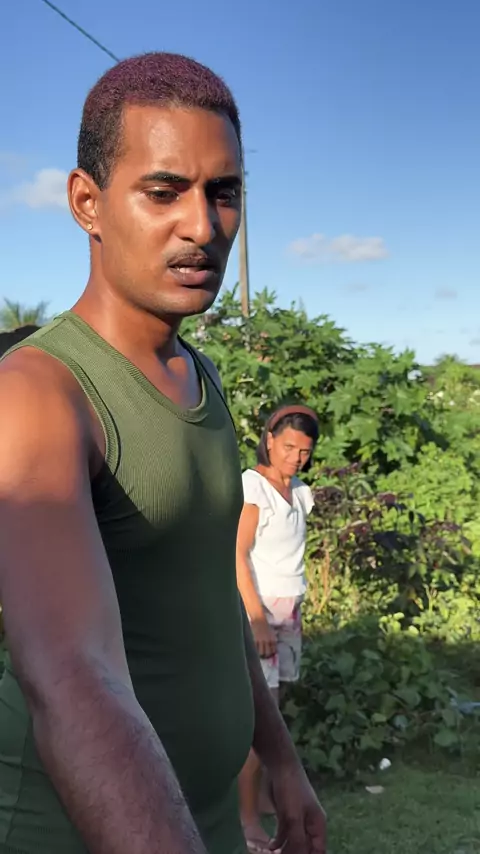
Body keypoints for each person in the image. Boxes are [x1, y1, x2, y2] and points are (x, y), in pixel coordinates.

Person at [0, 53, 326, 854]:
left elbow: (213, 598)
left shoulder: (201, 376)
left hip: (202, 818)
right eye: (164, 191)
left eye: (224, 193)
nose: (203, 226)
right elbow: (71, 676)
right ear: (87, 202)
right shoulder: (40, 393)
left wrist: (281, 759)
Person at [236, 405, 320, 852]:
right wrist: (255, 619)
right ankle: (246, 818)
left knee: (276, 711)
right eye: (288, 447)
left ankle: (269, 799)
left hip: (290, 611)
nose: (295, 457)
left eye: (304, 451)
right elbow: (237, 555)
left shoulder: (300, 492)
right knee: (258, 717)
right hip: (262, 612)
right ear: (269, 439)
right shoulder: (254, 487)